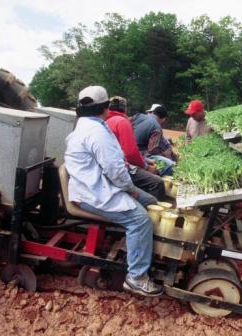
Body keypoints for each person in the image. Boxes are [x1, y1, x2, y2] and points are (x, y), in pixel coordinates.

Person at [64, 85, 162, 297]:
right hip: (92, 192)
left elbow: (114, 165)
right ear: (106, 107)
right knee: (141, 220)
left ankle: (142, 251)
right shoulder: (97, 131)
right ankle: (136, 277)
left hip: (91, 186)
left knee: (152, 201)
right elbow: (115, 170)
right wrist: (131, 190)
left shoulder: (86, 126)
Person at [106, 96, 165, 200]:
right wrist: (146, 167)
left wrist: (145, 160)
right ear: (125, 109)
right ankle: (152, 210)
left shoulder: (106, 121)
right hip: (119, 168)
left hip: (111, 166)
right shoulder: (122, 122)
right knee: (157, 182)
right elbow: (130, 153)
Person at [131, 104, 176, 176]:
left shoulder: (138, 116)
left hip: (126, 150)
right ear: (163, 119)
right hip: (140, 154)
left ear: (152, 112)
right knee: (171, 165)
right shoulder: (156, 127)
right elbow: (152, 150)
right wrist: (163, 154)